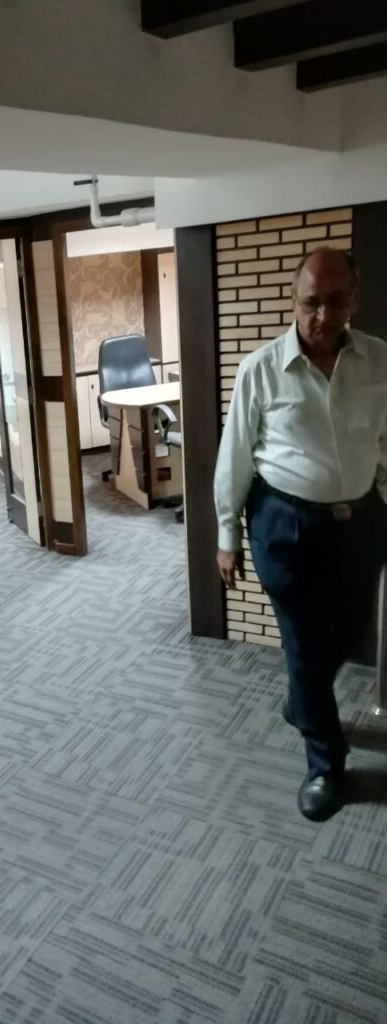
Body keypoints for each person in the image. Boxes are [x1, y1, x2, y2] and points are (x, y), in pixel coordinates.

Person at [214, 247, 387, 821]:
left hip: (361, 520)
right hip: (284, 524)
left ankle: (301, 696)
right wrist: (226, 535)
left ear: (354, 300)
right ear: (294, 302)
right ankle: (325, 765)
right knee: (306, 644)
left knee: (350, 632)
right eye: (311, 302)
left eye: (335, 301)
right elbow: (235, 455)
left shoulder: (380, 361)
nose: (321, 315)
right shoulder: (260, 369)